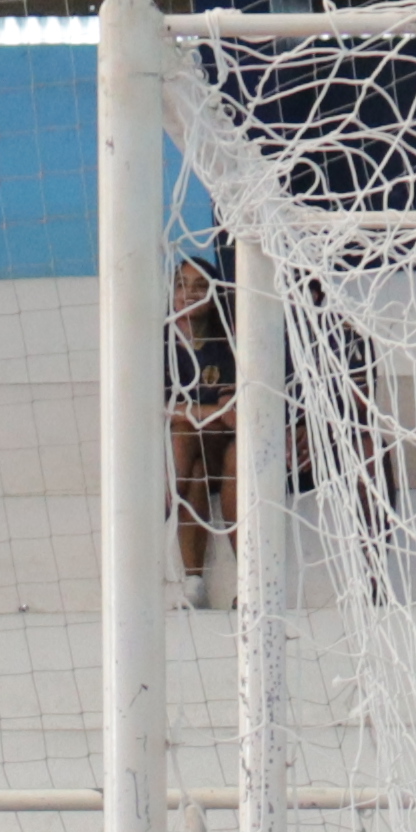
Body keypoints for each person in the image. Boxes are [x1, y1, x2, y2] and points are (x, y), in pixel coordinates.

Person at [164, 249, 238, 608]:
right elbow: (149, 409)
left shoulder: (227, 343)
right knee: (187, 460)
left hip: (219, 445)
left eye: (199, 286)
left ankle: (162, 504)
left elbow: (232, 414)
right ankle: (194, 585)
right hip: (184, 452)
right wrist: (202, 411)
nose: (188, 293)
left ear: (214, 296)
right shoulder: (155, 343)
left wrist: (184, 411)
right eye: (181, 285)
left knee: (184, 432)